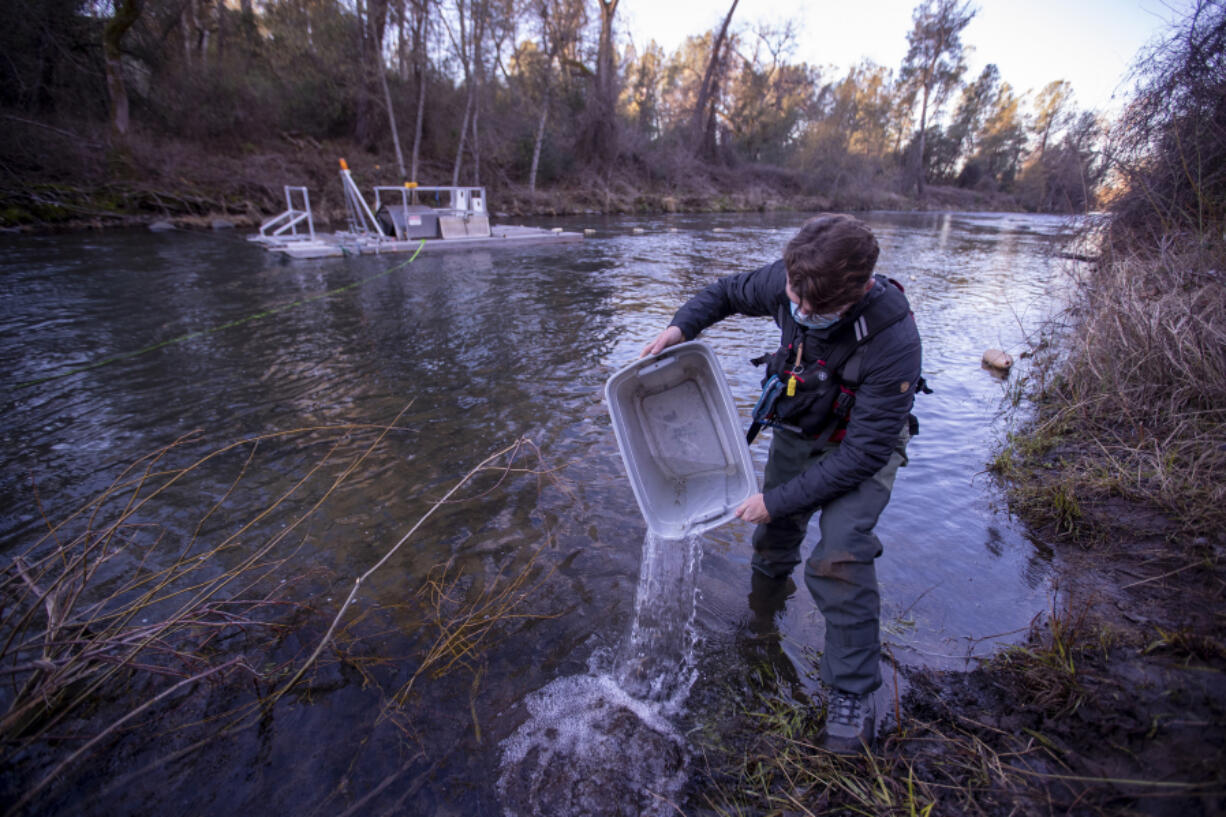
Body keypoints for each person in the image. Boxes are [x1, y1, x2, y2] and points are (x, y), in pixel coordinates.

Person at [640, 214, 922, 754]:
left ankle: (852, 692)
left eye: (819, 309)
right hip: (801, 426)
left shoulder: (894, 338)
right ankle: (763, 618)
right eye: (795, 298)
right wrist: (682, 327)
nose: (802, 312)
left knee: (840, 555)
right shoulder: (791, 280)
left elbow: (863, 455)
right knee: (773, 539)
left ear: (860, 289)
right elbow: (723, 293)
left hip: (861, 448)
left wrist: (774, 499)